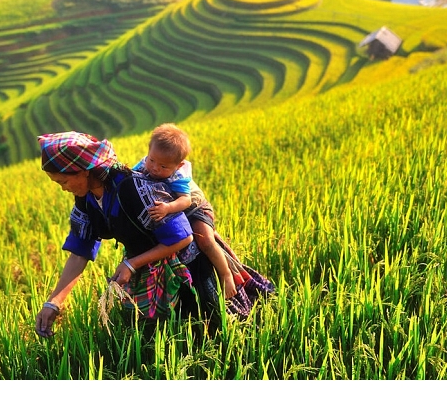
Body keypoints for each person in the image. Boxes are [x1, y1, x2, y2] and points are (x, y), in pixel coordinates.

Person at [34, 131, 274, 338]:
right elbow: (80, 252)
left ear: (84, 171)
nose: (63, 187)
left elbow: (182, 237)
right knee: (160, 335)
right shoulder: (85, 201)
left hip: (188, 266)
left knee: (214, 328)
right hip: (149, 265)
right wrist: (53, 303)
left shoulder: (134, 188)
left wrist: (132, 263)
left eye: (63, 181)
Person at [133, 123, 236, 299]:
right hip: (176, 213)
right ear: (149, 152)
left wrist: (167, 208)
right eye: (152, 160)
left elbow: (185, 200)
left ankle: (226, 274)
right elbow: (132, 177)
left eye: (164, 166)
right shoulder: (146, 163)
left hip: (195, 208)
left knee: (205, 240)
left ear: (178, 165)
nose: (155, 168)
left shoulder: (178, 176)